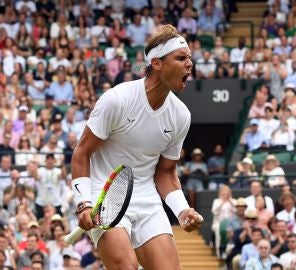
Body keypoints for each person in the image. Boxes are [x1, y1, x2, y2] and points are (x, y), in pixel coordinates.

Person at [71, 25, 203, 269]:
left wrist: (182, 210)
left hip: (147, 199)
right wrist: (84, 203)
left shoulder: (180, 115)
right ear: (157, 63)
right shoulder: (117, 100)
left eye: (190, 59)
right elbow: (81, 152)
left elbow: (165, 172)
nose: (189, 64)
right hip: (104, 196)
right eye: (181, 58)